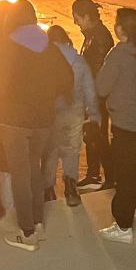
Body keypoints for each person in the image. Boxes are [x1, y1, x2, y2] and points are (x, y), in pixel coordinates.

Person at [0, 0, 74, 251]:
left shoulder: (7, 46)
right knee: (35, 169)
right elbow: (67, 79)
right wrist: (47, 95)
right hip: (43, 120)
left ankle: (27, 232)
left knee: (20, 173)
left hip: (14, 120)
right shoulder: (48, 46)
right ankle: (38, 222)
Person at [96, 7, 136, 244]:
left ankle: (123, 225)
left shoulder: (118, 53)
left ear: (120, 28)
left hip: (124, 122)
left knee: (124, 172)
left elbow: (102, 88)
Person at [42, 24, 98, 207]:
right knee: (71, 151)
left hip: (51, 113)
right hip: (74, 113)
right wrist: (94, 114)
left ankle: (48, 190)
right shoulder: (79, 60)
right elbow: (90, 89)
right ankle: (71, 188)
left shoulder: (45, 59)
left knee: (50, 152)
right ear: (66, 39)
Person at [72, 0, 115, 193]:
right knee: (92, 133)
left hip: (97, 97)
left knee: (96, 134)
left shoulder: (99, 38)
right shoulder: (93, 34)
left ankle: (102, 176)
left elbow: (97, 72)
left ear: (87, 17)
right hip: (94, 96)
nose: (75, 23)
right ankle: (94, 174)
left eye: (77, 18)